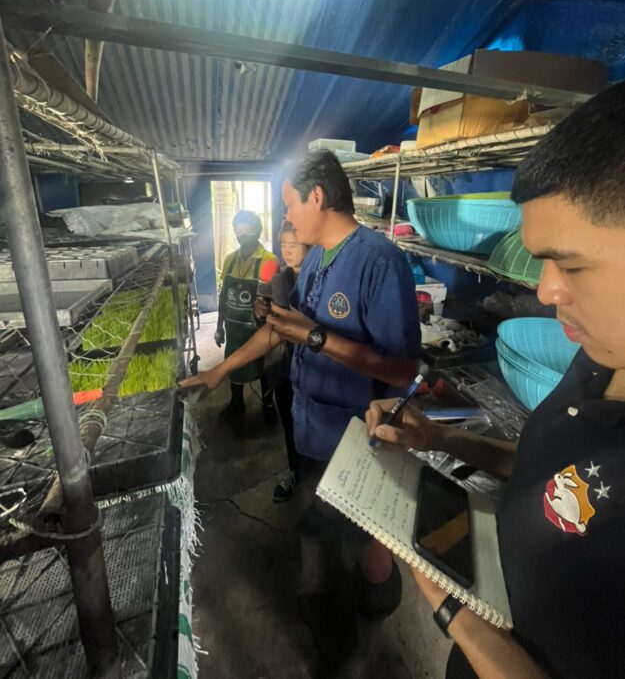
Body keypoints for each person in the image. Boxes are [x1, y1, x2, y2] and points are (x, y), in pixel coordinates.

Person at [367, 82, 625, 678]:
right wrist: (441, 438)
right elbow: (552, 473)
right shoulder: (599, 358)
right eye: (543, 262)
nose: (546, 290)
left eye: (571, 264)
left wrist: (448, 602)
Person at [186, 150, 421, 617]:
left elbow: (402, 371)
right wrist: (221, 370)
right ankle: (335, 550)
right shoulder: (316, 261)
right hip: (312, 426)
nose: (287, 218)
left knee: (364, 530)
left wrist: (317, 337)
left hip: (355, 433)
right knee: (330, 508)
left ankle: (380, 593)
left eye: (290, 204)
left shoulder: (380, 261)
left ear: (316, 197)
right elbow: (284, 329)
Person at [188, 220, 310, 503]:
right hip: (270, 352)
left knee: (305, 421)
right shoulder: (275, 277)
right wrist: (257, 313)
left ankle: (313, 477)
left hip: (307, 367)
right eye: (284, 244)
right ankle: (295, 470)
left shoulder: (308, 277)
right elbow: (268, 321)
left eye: (294, 244)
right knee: (289, 421)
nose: (287, 251)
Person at [215, 209, 278, 425]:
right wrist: (219, 326)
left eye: (248, 231)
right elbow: (224, 295)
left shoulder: (268, 260)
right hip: (234, 328)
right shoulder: (230, 260)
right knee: (233, 364)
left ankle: (268, 405)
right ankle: (236, 403)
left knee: (264, 368)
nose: (243, 236)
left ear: (258, 231)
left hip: (258, 329)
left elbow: (272, 300)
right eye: (239, 231)